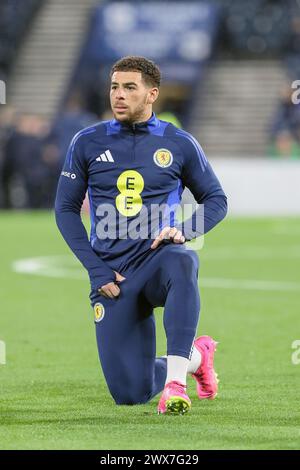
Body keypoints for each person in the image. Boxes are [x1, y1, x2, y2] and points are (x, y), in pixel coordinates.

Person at [55, 56, 227, 415]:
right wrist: (96, 270)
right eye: (115, 86)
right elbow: (65, 210)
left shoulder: (178, 143)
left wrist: (184, 231)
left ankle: (175, 384)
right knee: (129, 394)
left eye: (129, 88)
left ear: (152, 94)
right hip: (112, 276)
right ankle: (196, 357)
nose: (119, 95)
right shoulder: (87, 142)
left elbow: (216, 200)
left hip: (156, 261)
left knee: (184, 260)